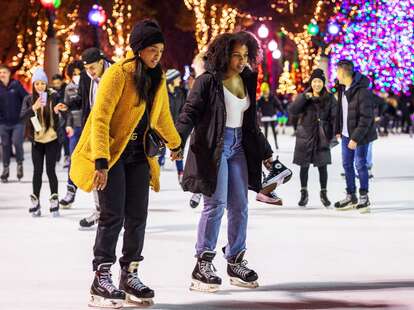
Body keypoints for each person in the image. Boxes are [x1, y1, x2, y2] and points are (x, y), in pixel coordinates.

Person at [70, 20, 182, 308]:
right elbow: (100, 118)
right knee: (112, 215)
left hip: (138, 156)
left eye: (160, 49)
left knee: (137, 216)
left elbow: (162, 117)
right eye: (152, 49)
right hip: (112, 154)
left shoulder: (156, 78)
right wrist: (101, 161)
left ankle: (129, 273)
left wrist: (176, 144)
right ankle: (101, 276)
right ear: (139, 49)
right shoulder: (118, 74)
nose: (157, 55)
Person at [175, 31, 274, 292]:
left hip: (239, 146)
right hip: (213, 147)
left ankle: (236, 260)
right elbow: (190, 112)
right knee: (215, 203)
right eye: (236, 55)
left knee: (240, 205)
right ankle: (203, 262)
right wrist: (177, 141)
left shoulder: (246, 79)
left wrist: (266, 153)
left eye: (245, 56)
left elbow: (251, 122)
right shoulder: (207, 80)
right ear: (223, 55)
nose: (242, 61)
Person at [20, 68, 66, 217]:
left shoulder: (54, 96)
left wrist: (59, 110)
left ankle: (54, 200)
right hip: (37, 141)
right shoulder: (28, 99)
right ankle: (36, 201)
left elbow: (63, 113)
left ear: (46, 84)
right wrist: (33, 108)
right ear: (33, 85)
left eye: (42, 83)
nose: (40, 86)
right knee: (37, 172)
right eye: (37, 83)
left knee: (50, 170)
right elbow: (21, 118)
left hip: (52, 140)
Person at [75, 48, 113, 228]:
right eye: (86, 68)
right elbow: (83, 100)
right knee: (94, 170)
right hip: (93, 130)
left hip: (113, 131)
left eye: (92, 67)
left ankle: (114, 214)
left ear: (101, 61)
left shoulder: (114, 73)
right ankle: (99, 211)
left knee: (112, 172)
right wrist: (67, 104)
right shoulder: (86, 77)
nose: (90, 71)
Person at [334, 60, 377, 214]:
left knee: (360, 164)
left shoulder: (363, 91)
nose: (336, 75)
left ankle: (364, 198)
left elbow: (366, 118)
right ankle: (351, 195)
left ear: (344, 73)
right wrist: (338, 129)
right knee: (347, 165)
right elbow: (340, 111)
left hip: (361, 135)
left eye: (337, 72)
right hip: (346, 134)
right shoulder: (341, 88)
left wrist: (355, 138)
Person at [289, 69, 337, 207]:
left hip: (322, 136)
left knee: (323, 166)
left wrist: (333, 132)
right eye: (315, 81)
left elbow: (335, 116)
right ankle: (303, 193)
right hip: (305, 136)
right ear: (311, 82)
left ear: (323, 83)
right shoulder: (305, 96)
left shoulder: (329, 98)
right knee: (304, 166)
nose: (317, 84)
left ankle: (324, 193)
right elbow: (293, 110)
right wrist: (304, 97)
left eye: (320, 81)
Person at [59, 60, 84, 209]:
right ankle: (71, 191)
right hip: (75, 127)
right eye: (74, 74)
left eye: (79, 73)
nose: (76, 76)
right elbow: (67, 108)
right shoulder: (68, 88)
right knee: (73, 159)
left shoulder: (91, 85)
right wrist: (68, 124)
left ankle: (104, 198)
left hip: (91, 126)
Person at [0, 64, 28, 182]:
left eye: (4, 72)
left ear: (9, 74)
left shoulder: (16, 85)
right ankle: (5, 170)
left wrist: (24, 114)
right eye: (0, 73)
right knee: (5, 145)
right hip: (3, 122)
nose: (2, 75)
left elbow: (26, 98)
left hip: (18, 122)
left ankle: (19, 165)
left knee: (17, 143)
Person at [158, 68, 186, 184]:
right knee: (161, 150)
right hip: (163, 127)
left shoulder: (179, 93)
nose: (180, 80)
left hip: (176, 126)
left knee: (178, 149)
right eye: (178, 78)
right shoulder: (163, 94)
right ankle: (155, 172)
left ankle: (181, 173)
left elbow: (183, 109)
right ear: (172, 80)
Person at [51, 74, 70, 167]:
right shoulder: (51, 91)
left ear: (62, 81)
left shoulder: (67, 89)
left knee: (65, 138)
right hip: (56, 118)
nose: (56, 85)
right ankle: (56, 157)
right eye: (54, 83)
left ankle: (67, 157)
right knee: (57, 138)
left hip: (65, 117)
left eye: (58, 83)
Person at [257, 82, 282, 149]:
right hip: (265, 116)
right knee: (266, 132)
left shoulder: (272, 97)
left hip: (272, 116)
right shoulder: (261, 99)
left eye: (266, 91)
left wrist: (281, 110)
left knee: (274, 131)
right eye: (264, 92)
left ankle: (276, 144)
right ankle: (266, 145)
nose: (266, 93)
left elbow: (278, 104)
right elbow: (257, 107)